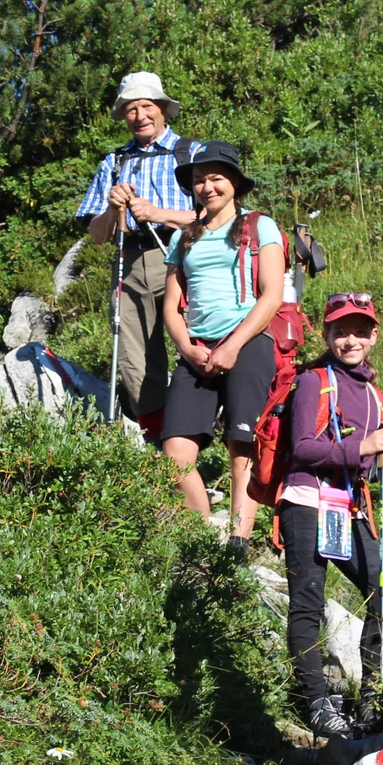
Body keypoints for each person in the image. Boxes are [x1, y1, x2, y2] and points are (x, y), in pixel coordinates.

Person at [274, 293, 383, 739]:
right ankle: (316, 702)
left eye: (359, 331)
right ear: (326, 334)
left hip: (349, 507)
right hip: (305, 502)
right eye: (340, 331)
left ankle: (373, 696)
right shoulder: (315, 381)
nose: (349, 339)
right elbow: (301, 448)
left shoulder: (375, 394)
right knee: (308, 603)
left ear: (374, 336)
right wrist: (361, 446)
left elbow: (378, 465)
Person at [159, 142, 285, 553]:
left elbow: (271, 295)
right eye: (199, 180)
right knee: (175, 449)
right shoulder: (184, 237)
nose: (207, 187)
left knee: (240, 441)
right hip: (197, 349)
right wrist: (186, 347)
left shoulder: (259, 226)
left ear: (234, 183)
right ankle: (200, 536)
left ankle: (238, 539)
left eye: (216, 178)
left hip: (248, 342)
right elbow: (171, 307)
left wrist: (234, 344)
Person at [76, 71, 199, 440]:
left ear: (163, 109)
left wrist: (159, 214)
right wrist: (113, 210)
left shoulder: (192, 153)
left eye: (146, 106)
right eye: (130, 109)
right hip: (130, 263)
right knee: (136, 359)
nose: (139, 115)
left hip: (186, 256)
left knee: (195, 345)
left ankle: (194, 434)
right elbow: (96, 235)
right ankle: (160, 445)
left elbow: (220, 217)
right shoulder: (113, 163)